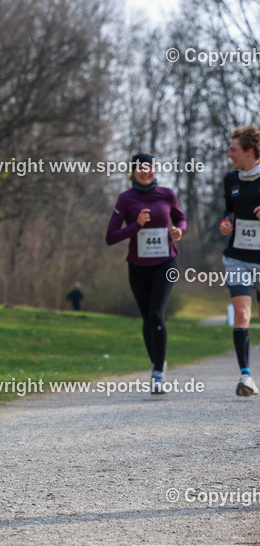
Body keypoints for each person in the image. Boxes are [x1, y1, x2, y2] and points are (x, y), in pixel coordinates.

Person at [105, 153, 186, 395]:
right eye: (140, 168)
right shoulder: (125, 199)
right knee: (147, 319)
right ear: (133, 172)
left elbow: (181, 218)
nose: (145, 172)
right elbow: (110, 237)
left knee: (156, 313)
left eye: (148, 167)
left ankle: (158, 373)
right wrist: (136, 225)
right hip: (138, 265)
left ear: (154, 170)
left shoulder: (167, 194)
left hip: (166, 262)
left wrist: (179, 230)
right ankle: (156, 363)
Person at [218, 125, 260, 397]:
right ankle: (245, 376)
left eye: (233, 149)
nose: (229, 154)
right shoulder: (231, 179)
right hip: (237, 258)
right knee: (242, 314)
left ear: (249, 151)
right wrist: (226, 222)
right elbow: (229, 210)